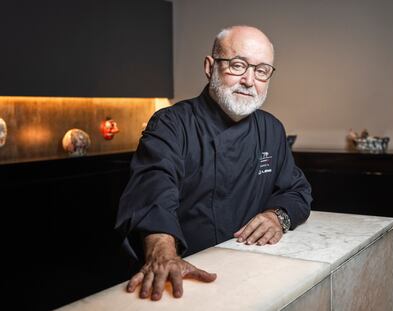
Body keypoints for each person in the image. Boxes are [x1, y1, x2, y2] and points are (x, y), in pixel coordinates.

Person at [115, 25, 312, 301]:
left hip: (252, 271)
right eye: (237, 65)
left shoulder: (272, 130)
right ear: (210, 67)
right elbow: (153, 192)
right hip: (184, 275)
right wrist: (163, 253)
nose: (248, 80)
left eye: (261, 70)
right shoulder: (170, 125)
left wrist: (276, 217)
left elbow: (296, 191)